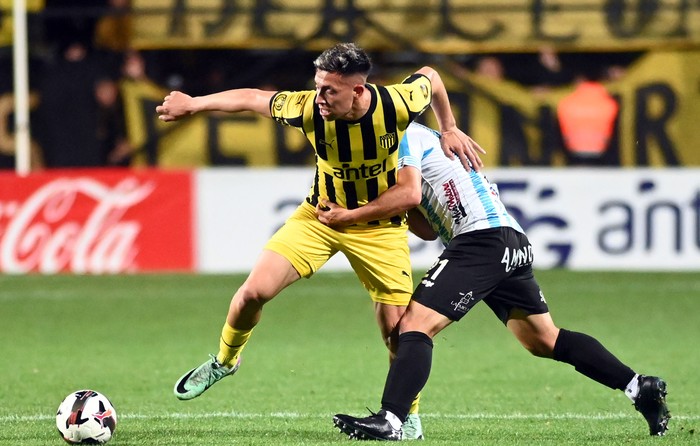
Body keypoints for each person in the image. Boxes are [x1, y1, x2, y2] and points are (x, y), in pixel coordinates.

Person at [156, 43, 484, 440]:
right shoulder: (308, 107)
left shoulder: (395, 103)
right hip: (320, 217)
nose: (321, 97)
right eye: (318, 86)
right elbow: (253, 98)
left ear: (358, 91)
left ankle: (406, 415)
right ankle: (225, 361)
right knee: (250, 294)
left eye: (331, 89)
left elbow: (431, 76)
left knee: (399, 332)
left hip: (380, 228)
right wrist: (194, 104)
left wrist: (448, 127)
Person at [327, 123, 670, 440]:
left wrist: (354, 213)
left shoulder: (401, 135)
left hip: (481, 240)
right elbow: (428, 228)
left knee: (414, 327)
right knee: (544, 340)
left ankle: (393, 419)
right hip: (509, 240)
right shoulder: (426, 141)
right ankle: (639, 387)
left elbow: (410, 196)